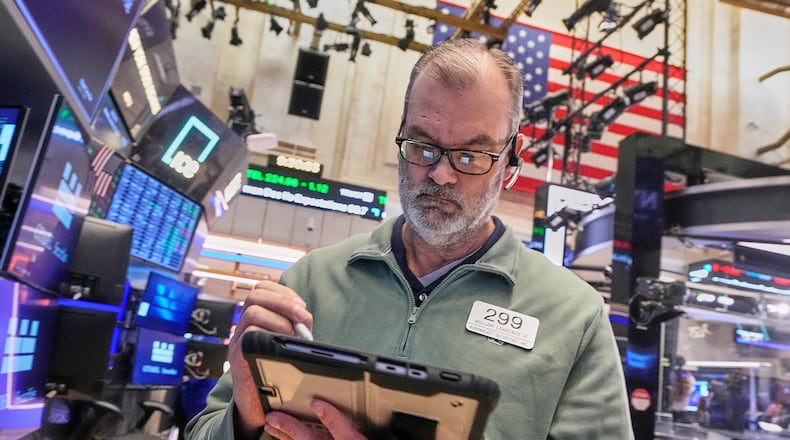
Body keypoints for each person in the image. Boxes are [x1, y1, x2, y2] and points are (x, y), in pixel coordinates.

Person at [185, 38, 633, 439]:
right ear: (401, 134)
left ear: (511, 160)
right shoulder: (311, 282)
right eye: (422, 146)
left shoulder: (572, 317)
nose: (440, 173)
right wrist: (244, 420)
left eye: (470, 155)